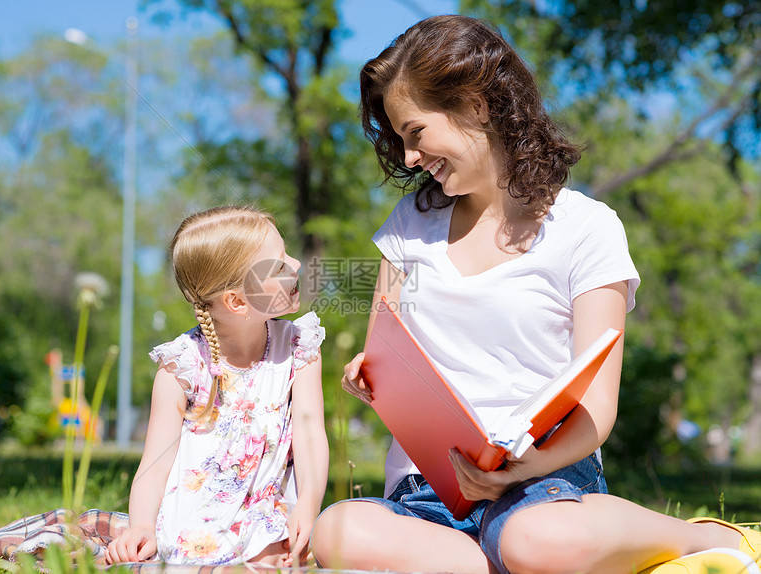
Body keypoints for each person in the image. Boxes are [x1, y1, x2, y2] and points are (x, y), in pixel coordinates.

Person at [310, 15, 761, 574]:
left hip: (544, 483)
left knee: (536, 542)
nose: (407, 158)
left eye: (415, 132)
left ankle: (699, 537)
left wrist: (522, 469)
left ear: (475, 104)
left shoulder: (587, 227)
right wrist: (370, 375)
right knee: (335, 528)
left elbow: (597, 407)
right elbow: (388, 344)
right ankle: (480, 562)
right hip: (426, 492)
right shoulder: (410, 223)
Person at [105, 206, 328, 567]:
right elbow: (155, 464)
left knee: (278, 556)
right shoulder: (182, 367)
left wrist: (307, 505)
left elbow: (310, 434)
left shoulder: (299, 347)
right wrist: (141, 525)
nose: (297, 264)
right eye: (279, 264)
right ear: (237, 301)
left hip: (265, 514)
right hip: (195, 519)